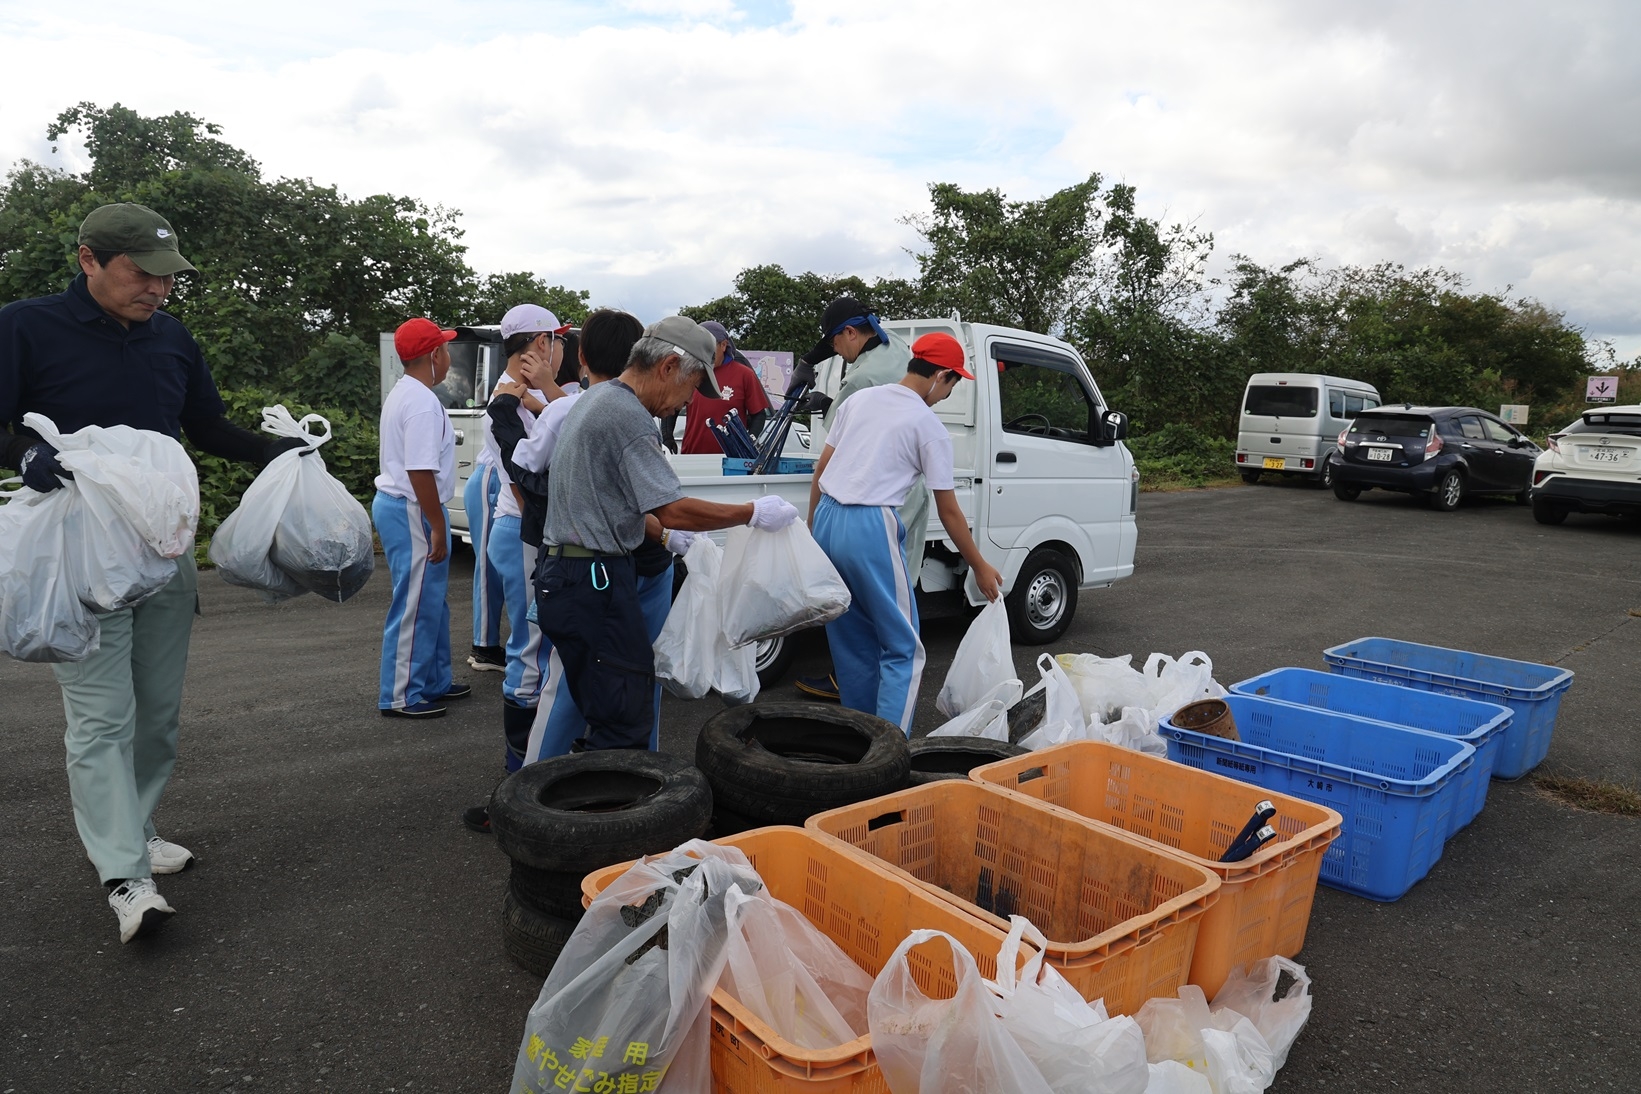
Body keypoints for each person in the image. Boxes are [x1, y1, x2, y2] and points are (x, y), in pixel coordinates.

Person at [0, 203, 311, 943]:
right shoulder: (25, 325)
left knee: (156, 712)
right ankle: (122, 875)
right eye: (141, 273)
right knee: (102, 716)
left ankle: (135, 829)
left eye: (167, 278)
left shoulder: (173, 338)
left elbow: (202, 427)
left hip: (161, 547)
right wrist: (22, 455)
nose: (158, 291)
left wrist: (272, 451)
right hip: (78, 550)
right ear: (89, 260)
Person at [537, 315, 799, 751]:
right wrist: (750, 511)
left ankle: (575, 806)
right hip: (593, 581)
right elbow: (672, 508)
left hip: (567, 575)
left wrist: (662, 536)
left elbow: (617, 499)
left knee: (603, 710)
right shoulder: (627, 416)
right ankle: (618, 813)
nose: (687, 403)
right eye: (692, 386)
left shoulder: (596, 397)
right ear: (669, 367)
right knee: (625, 722)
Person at [806, 331, 1003, 733]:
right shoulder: (927, 425)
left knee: (852, 644)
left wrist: (813, 533)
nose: (947, 394)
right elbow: (948, 510)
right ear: (941, 376)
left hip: (827, 517)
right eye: (953, 383)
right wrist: (979, 565)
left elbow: (820, 471)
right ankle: (889, 752)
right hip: (870, 527)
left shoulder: (859, 400)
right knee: (903, 648)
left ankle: (860, 743)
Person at [792, 296, 930, 701]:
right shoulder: (900, 349)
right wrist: (811, 358)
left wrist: (826, 404)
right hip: (901, 498)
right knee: (896, 620)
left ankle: (870, 724)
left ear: (852, 333)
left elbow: (835, 452)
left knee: (872, 630)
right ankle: (880, 726)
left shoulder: (858, 381)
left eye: (836, 343)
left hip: (863, 507)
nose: (836, 351)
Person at [479, 304, 571, 764]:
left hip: (526, 530)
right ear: (540, 344)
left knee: (539, 642)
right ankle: (521, 767)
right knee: (530, 648)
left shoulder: (522, 396)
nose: (561, 350)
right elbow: (522, 486)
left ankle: (539, 757)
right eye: (558, 341)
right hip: (523, 531)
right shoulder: (505, 403)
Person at [374, 318, 470, 720]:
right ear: (435, 355)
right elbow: (419, 470)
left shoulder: (408, 393)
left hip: (405, 504)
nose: (448, 357)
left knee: (429, 599)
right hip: (413, 507)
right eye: (446, 349)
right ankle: (400, 695)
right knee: (415, 603)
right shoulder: (421, 403)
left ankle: (432, 681)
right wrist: (436, 524)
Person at [663, 320, 772, 455]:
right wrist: (667, 436)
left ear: (724, 345)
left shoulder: (745, 374)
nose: (704, 353)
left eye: (709, 348)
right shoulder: (689, 371)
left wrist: (751, 439)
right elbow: (671, 406)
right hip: (692, 457)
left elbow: (758, 414)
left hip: (732, 460)